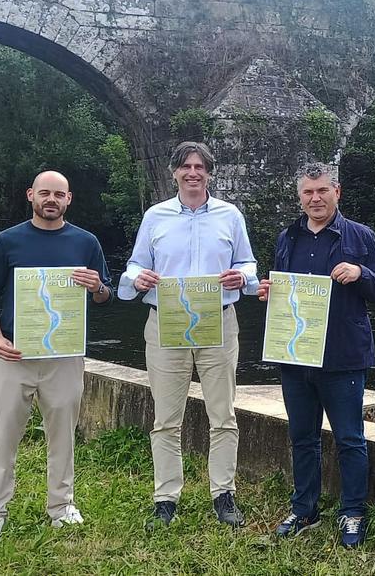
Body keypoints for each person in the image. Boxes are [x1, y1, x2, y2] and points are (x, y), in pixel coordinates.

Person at [117, 142, 257, 528]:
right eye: (185, 167)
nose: (193, 173)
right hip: (166, 321)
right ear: (174, 172)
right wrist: (136, 278)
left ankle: (223, 495)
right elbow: (133, 268)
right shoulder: (155, 216)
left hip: (219, 321)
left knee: (223, 415)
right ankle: (165, 499)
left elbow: (248, 265)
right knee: (166, 418)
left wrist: (242, 276)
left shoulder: (230, 216)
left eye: (200, 167)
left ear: (210, 173)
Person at [0, 171, 112, 545]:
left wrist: (96, 286)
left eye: (59, 194)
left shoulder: (86, 242)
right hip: (13, 354)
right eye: (45, 193)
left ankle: (61, 507)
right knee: (4, 436)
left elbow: (105, 296)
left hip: (63, 356)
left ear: (69, 200)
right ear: (31, 194)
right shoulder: (6, 241)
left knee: (63, 435)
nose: (52, 199)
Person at [258, 162, 375, 547]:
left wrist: (360, 273)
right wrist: (271, 292)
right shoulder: (288, 237)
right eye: (308, 193)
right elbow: (283, 288)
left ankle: (353, 513)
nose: (315, 199)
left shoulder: (360, 236)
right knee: (302, 437)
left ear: (337, 192)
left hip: (344, 356)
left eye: (322, 191)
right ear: (300, 197)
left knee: (350, 438)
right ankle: (304, 509)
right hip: (295, 356)